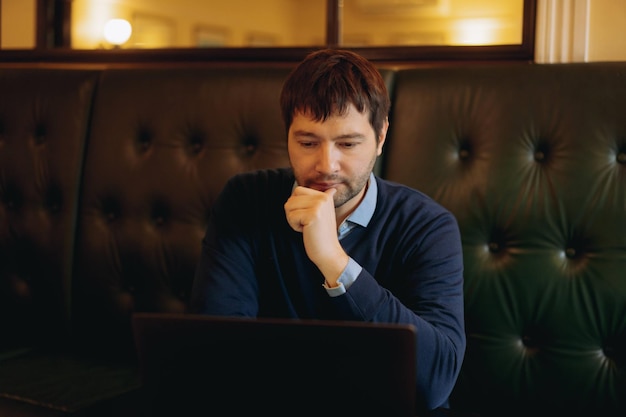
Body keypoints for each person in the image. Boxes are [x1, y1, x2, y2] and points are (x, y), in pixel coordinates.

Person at [190, 48, 465, 412]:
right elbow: (214, 353)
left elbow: (434, 381)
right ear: (287, 136)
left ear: (380, 137)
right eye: (307, 143)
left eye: (348, 144)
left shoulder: (428, 227)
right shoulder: (245, 201)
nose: (326, 165)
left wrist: (334, 261)